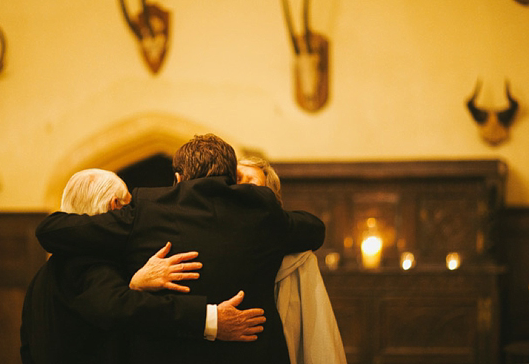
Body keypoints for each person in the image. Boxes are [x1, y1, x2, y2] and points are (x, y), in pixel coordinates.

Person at [34, 134, 326, 364]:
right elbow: (314, 229)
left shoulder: (147, 209)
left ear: (177, 178)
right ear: (230, 179)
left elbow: (51, 230)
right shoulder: (262, 213)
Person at [21, 168, 264, 364]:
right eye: (129, 206)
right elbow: (121, 309)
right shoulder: (88, 263)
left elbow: (31, 346)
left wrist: (132, 285)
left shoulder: (41, 276)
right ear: (114, 206)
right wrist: (211, 320)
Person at [238, 157, 347, 364]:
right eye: (236, 179)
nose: (241, 187)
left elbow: (314, 228)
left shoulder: (291, 246)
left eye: (251, 182)